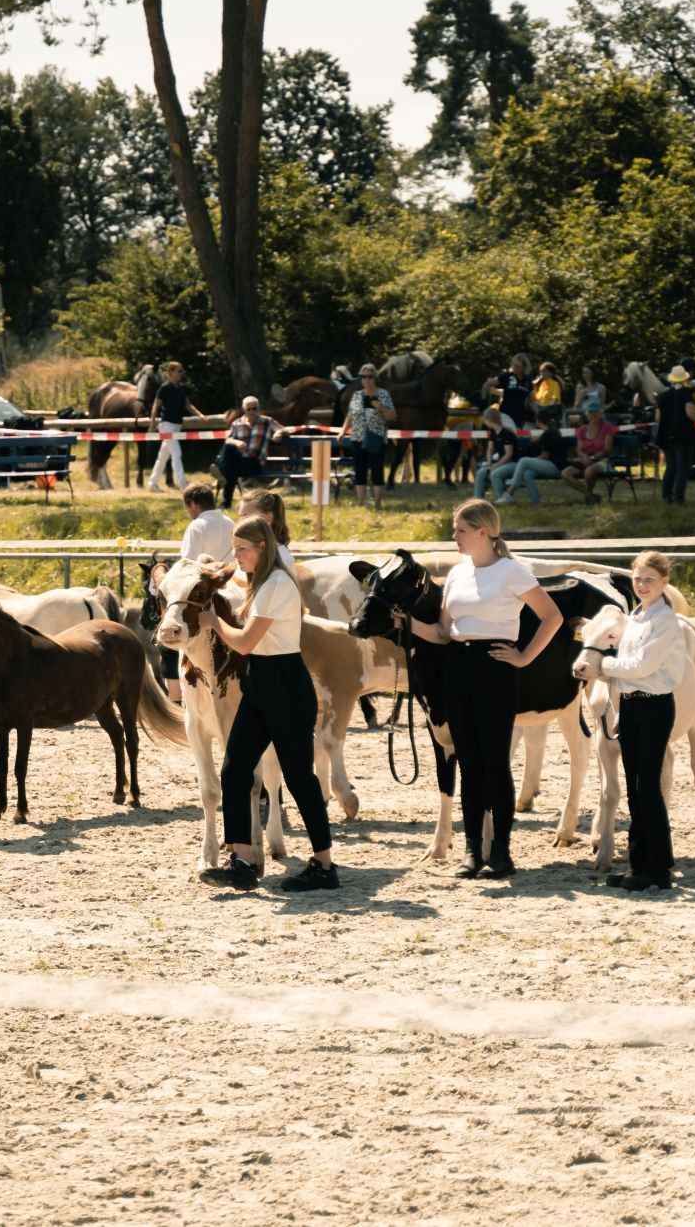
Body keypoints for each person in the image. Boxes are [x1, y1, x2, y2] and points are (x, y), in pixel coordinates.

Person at [393, 500, 563, 877]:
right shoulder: (457, 573)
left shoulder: (511, 571)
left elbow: (552, 616)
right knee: (469, 762)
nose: (454, 536)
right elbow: (442, 632)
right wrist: (408, 624)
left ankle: (501, 852)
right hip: (458, 665)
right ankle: (473, 851)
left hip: (495, 667)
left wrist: (524, 657)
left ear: (483, 532)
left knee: (494, 761)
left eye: (461, 530)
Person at [198, 517, 340, 893]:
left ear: (262, 546)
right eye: (235, 548)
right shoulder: (260, 583)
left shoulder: (276, 583)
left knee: (299, 777)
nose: (237, 555)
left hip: (284, 684)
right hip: (260, 681)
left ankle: (324, 865)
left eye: (242, 549)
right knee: (235, 769)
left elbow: (245, 642)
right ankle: (242, 861)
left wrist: (214, 623)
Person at [589, 551, 689, 891]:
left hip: (655, 707)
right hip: (631, 706)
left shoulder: (666, 621)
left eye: (649, 580)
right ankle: (640, 865)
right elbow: (628, 667)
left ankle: (658, 869)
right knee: (634, 788)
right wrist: (619, 710)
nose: (642, 585)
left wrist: (602, 666)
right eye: (638, 579)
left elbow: (642, 666)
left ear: (664, 582)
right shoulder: (635, 617)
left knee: (647, 786)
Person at [167, 483, 237, 705]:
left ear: (194, 503)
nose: (188, 510)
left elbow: (187, 564)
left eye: (187, 506)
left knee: (176, 638)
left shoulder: (197, 526)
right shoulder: (230, 522)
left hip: (202, 594)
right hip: (231, 588)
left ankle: (179, 695)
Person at [338, 365, 396, 510]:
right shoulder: (357, 395)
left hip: (376, 438)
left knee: (377, 470)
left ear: (374, 378)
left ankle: (377, 504)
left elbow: (392, 416)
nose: (366, 380)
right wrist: (343, 431)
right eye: (363, 377)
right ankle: (360, 503)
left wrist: (380, 407)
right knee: (360, 471)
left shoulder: (383, 394)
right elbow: (350, 415)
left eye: (369, 377)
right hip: (357, 437)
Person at [214, 396, 283, 509]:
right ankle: (225, 501)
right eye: (248, 409)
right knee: (229, 450)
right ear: (244, 409)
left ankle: (220, 470)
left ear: (258, 408)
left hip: (255, 462)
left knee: (229, 470)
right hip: (240, 460)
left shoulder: (266, 421)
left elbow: (282, 429)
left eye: (254, 408)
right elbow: (228, 439)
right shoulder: (237, 423)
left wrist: (278, 433)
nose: (252, 411)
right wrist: (237, 442)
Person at [499, 407, 570, 505]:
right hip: (558, 465)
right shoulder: (552, 432)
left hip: (555, 466)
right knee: (527, 474)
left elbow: (545, 457)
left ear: (538, 421)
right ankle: (536, 502)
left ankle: (510, 493)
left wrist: (531, 461)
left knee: (524, 461)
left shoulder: (547, 435)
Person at [654, 365, 695, 505]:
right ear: (685, 379)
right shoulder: (687, 393)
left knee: (670, 467)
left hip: (666, 436)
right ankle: (679, 497)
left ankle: (666, 495)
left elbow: (657, 417)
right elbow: (690, 413)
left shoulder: (663, 396)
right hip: (683, 436)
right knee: (682, 469)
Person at [146, 360, 196, 492]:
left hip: (177, 426)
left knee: (163, 456)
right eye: (179, 371)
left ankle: (152, 484)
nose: (181, 373)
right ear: (171, 372)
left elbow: (188, 405)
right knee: (176, 453)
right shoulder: (164, 388)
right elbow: (155, 406)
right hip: (166, 426)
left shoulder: (181, 388)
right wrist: (152, 423)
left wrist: (201, 416)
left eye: (181, 371)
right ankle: (182, 483)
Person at [558, 398, 616, 502]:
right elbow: (579, 450)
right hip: (584, 460)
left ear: (600, 414)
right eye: (590, 412)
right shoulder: (582, 429)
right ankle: (590, 495)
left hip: (602, 460)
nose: (592, 415)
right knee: (565, 473)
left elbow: (607, 449)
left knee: (589, 471)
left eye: (595, 412)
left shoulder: (608, 428)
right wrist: (584, 457)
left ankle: (589, 498)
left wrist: (592, 458)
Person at [237, 489, 297, 576]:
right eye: (241, 516)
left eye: (247, 516)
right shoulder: (246, 549)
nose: (240, 522)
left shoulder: (282, 557)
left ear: (269, 517)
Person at [471, 407, 520, 500]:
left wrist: (495, 466)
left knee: (495, 473)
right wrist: (489, 463)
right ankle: (477, 498)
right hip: (502, 462)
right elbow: (490, 450)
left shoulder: (506, 434)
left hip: (513, 463)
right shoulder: (493, 432)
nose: (484, 422)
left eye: (485, 419)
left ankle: (502, 498)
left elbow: (508, 455)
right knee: (481, 472)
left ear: (489, 420)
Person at [492, 353, 533, 428]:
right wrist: (499, 393)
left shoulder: (528, 380)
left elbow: (531, 400)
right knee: (511, 430)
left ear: (524, 367)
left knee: (518, 433)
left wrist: (538, 413)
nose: (515, 368)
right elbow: (490, 386)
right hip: (505, 413)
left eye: (518, 366)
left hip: (520, 416)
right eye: (514, 365)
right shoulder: (506, 376)